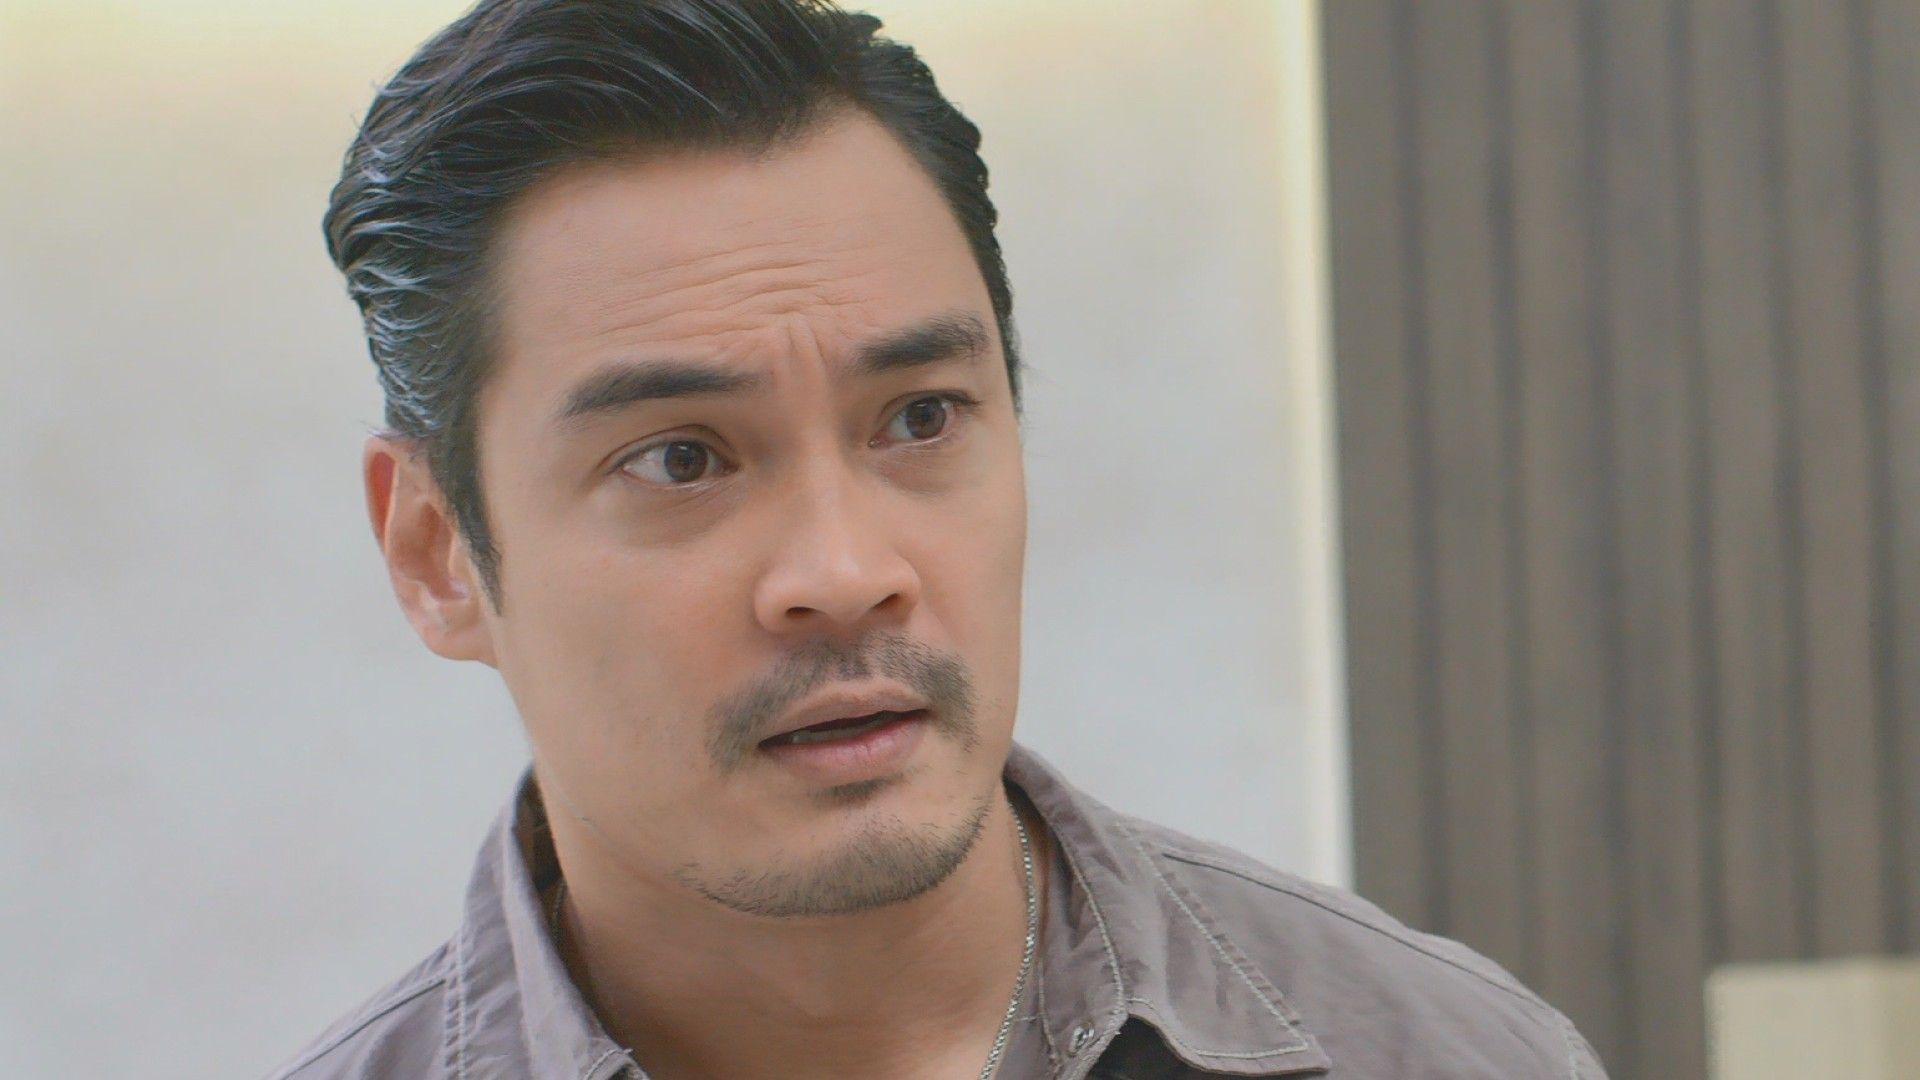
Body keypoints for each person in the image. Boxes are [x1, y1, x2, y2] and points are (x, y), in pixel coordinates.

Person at [273, 1, 1607, 1077]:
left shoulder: (1452, 1056)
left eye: (919, 419)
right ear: (438, 553)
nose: (848, 574)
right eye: (681, 459)